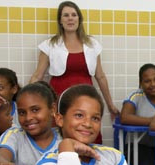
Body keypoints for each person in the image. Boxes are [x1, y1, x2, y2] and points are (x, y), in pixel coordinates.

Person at [29, 1, 119, 143]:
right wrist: (29, 103)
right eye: (66, 15)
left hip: (86, 99)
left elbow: (100, 76)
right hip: (60, 100)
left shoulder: (92, 44)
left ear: (79, 19)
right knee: (60, 140)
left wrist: (110, 104)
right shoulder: (49, 45)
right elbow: (37, 76)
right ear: (60, 20)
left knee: (87, 135)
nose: (70, 18)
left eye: (73, 15)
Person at [0, 82, 60, 165]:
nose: (28, 118)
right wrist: (4, 163)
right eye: (22, 113)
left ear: (52, 109)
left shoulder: (63, 136)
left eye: (35, 110)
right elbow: (0, 156)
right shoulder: (15, 135)